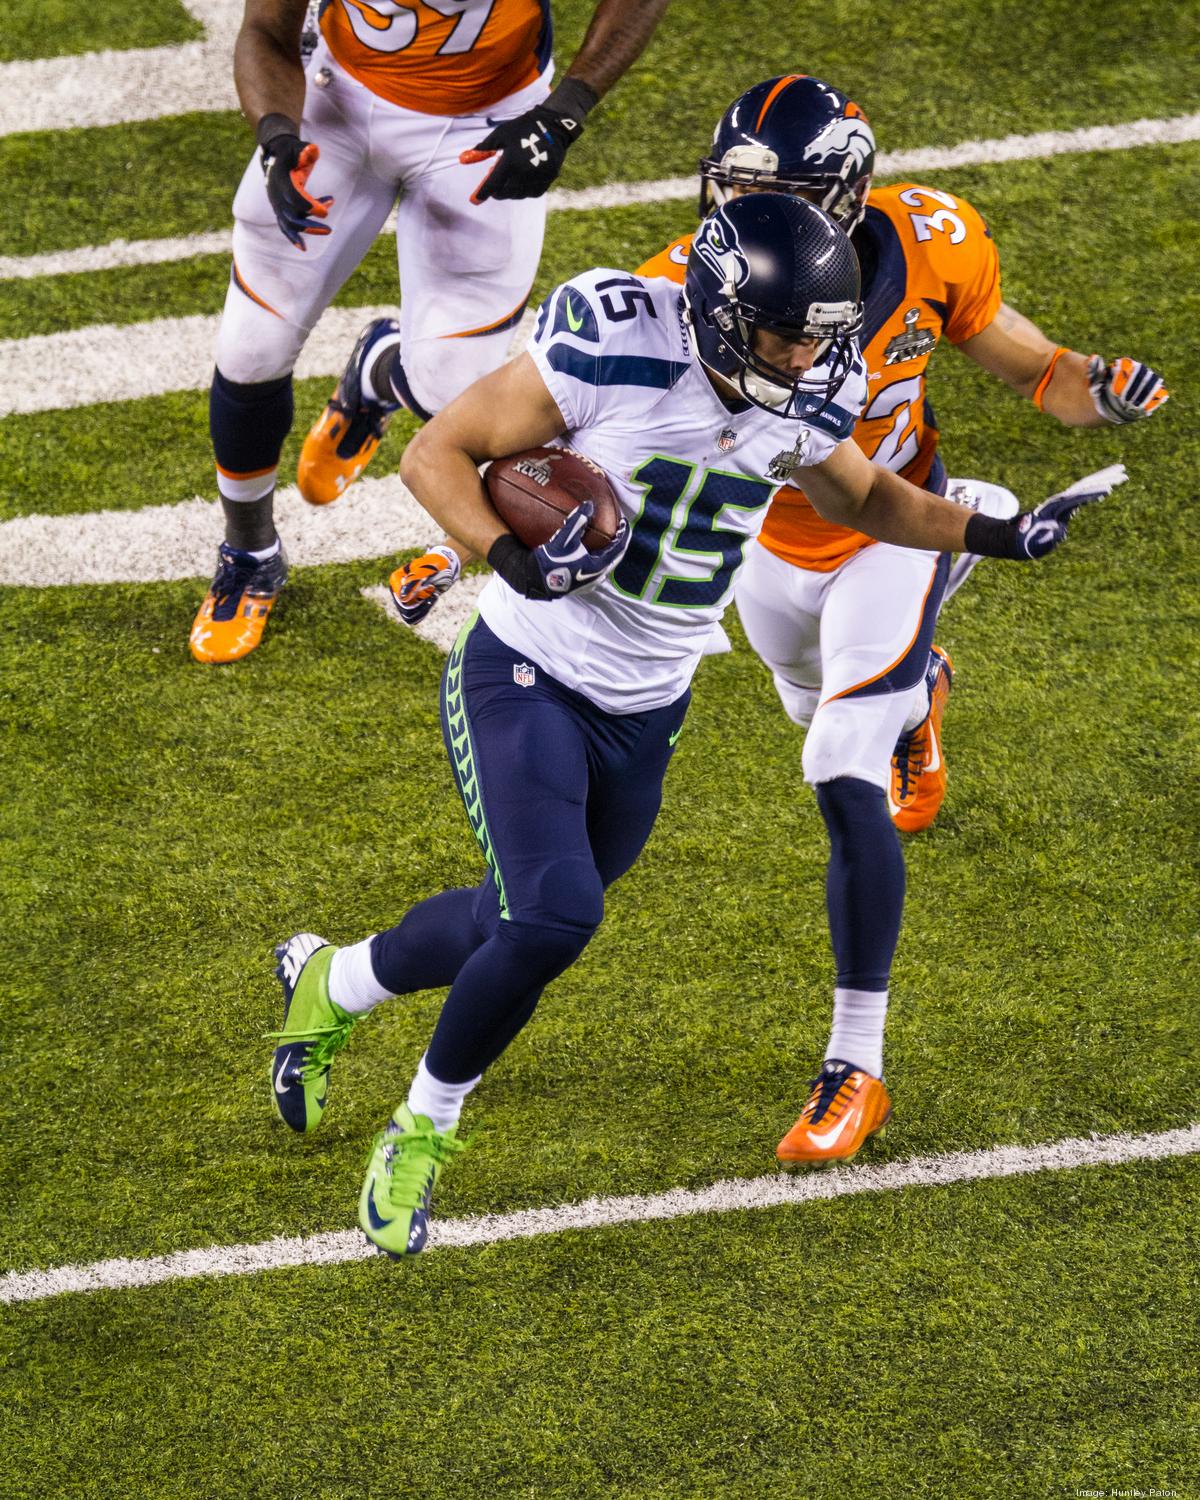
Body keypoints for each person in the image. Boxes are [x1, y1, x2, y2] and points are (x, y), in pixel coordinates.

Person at [267, 192, 1104, 1256]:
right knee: (555, 917)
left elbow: (869, 501)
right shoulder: (615, 339)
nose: (807, 357)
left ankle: (331, 981)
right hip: (528, 669)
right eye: (786, 333)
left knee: (508, 919)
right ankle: (423, 1128)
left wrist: (994, 530)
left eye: (819, 337)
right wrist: (511, 555)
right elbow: (438, 453)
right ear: (719, 310)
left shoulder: (806, 391)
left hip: (649, 703)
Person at [626, 74, 1168, 1167]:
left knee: (836, 757)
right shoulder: (678, 288)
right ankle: (920, 694)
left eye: (759, 191)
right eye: (726, 188)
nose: (729, 215)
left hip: (895, 527)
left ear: (841, 195)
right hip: (762, 551)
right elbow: (588, 424)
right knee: (806, 700)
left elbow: (1040, 371)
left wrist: (1096, 386)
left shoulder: (932, 243)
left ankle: (855, 1064)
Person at [189, 0, 670, 664]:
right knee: (251, 348)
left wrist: (565, 112)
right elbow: (267, 29)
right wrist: (276, 135)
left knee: (457, 397)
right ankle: (249, 551)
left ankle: (380, 372)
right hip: (341, 97)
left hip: (489, 117)